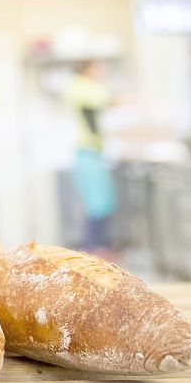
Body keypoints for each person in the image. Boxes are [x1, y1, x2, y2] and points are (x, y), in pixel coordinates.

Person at [66, 60, 116, 255]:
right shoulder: (80, 87)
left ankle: (99, 247)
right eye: (98, 68)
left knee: (103, 203)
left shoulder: (85, 88)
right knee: (97, 205)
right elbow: (105, 98)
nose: (102, 72)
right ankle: (95, 250)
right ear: (87, 70)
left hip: (93, 153)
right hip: (85, 154)